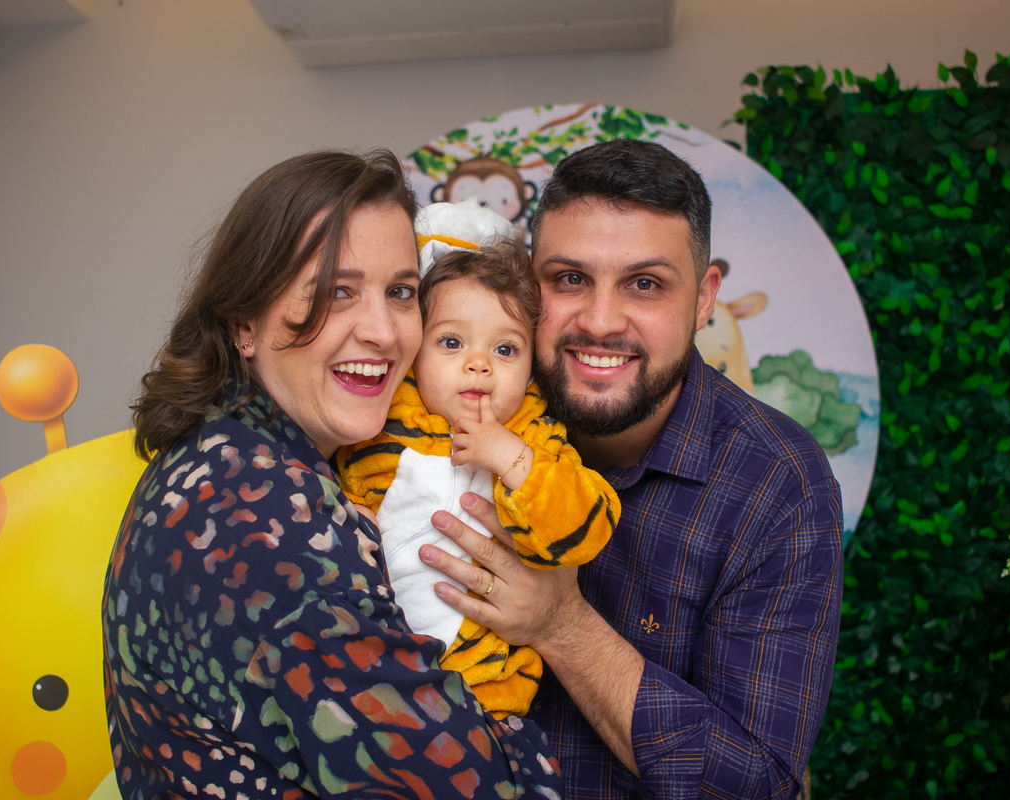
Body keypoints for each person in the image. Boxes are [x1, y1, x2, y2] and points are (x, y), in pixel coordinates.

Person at [101, 151, 563, 799]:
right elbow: (466, 786)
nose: (382, 332)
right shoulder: (262, 515)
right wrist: (518, 730)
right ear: (244, 324)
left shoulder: (227, 452)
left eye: (401, 292)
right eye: (336, 292)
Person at [417, 139, 844, 799]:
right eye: (569, 279)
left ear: (704, 299)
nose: (600, 322)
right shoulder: (436, 408)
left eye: (645, 284)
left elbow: (754, 784)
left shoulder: (776, 482)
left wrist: (562, 625)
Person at [337, 201, 619, 720]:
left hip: (484, 689)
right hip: (375, 662)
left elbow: (589, 525)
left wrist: (511, 457)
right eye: (451, 342)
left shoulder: (535, 436)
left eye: (506, 350)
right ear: (414, 348)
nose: (479, 364)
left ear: (532, 364)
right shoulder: (382, 418)